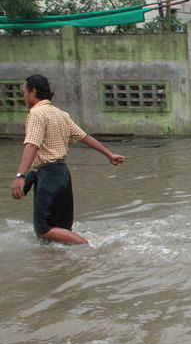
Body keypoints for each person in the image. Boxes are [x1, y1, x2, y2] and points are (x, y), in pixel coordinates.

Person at [10, 74, 125, 245]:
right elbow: (84, 137)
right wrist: (109, 155)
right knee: (60, 231)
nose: (23, 97)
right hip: (62, 175)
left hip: (48, 176)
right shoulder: (60, 114)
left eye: (24, 92)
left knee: (44, 229)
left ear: (33, 92)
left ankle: (88, 246)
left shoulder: (36, 113)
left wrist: (20, 176)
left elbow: (32, 146)